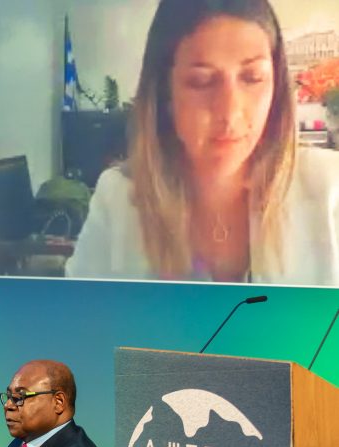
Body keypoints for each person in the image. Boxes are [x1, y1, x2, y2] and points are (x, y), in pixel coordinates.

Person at [67, 0, 339, 285]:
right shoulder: (117, 199)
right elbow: (77, 311)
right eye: (201, 81)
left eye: (252, 78)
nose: (230, 112)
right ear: (165, 94)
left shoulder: (330, 191)